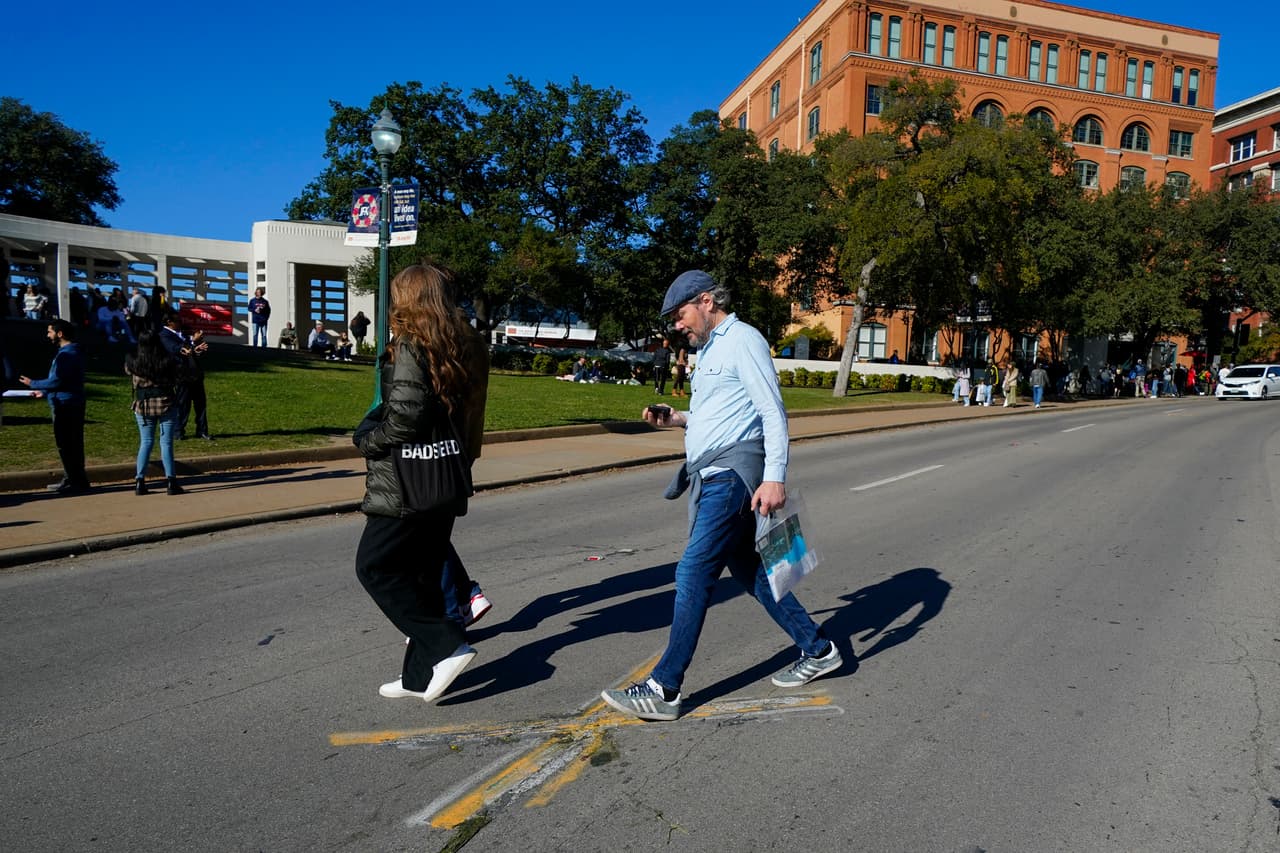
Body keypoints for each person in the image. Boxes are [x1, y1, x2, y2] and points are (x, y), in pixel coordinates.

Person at [600, 270, 840, 722]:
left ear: (707, 301)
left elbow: (772, 410)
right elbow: (719, 416)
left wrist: (775, 477)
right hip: (713, 474)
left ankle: (664, 687)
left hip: (732, 476)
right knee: (751, 572)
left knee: (693, 570)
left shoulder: (742, 339)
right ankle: (819, 648)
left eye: (680, 314)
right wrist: (677, 420)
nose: (677, 325)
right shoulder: (710, 350)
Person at [352, 261, 482, 703]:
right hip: (443, 477)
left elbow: (406, 416)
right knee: (423, 574)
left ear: (408, 298)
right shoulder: (458, 343)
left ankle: (448, 645)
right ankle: (417, 677)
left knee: (374, 566)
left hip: (407, 483)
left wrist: (371, 439)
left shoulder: (411, 344)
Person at [19, 319, 91, 494]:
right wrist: (43, 392)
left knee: (67, 444)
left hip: (66, 403)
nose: (47, 335)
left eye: (50, 331)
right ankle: (76, 479)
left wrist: (34, 383)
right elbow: (64, 380)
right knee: (72, 443)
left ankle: (73, 480)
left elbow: (58, 380)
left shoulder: (68, 354)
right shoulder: (71, 352)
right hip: (69, 400)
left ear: (60, 334)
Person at [125, 330, 184, 495]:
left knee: (146, 442)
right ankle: (171, 481)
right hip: (166, 402)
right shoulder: (166, 360)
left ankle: (140, 481)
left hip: (143, 404)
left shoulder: (133, 361)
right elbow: (177, 375)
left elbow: (128, 372)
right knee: (166, 443)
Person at [161, 313, 212, 440]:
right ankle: (178, 431)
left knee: (201, 405)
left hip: (195, 374)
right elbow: (175, 349)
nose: (180, 323)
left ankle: (202, 430)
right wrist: (192, 342)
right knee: (183, 404)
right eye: (177, 321)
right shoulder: (164, 335)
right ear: (169, 322)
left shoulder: (183, 335)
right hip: (181, 375)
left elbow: (189, 351)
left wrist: (197, 349)